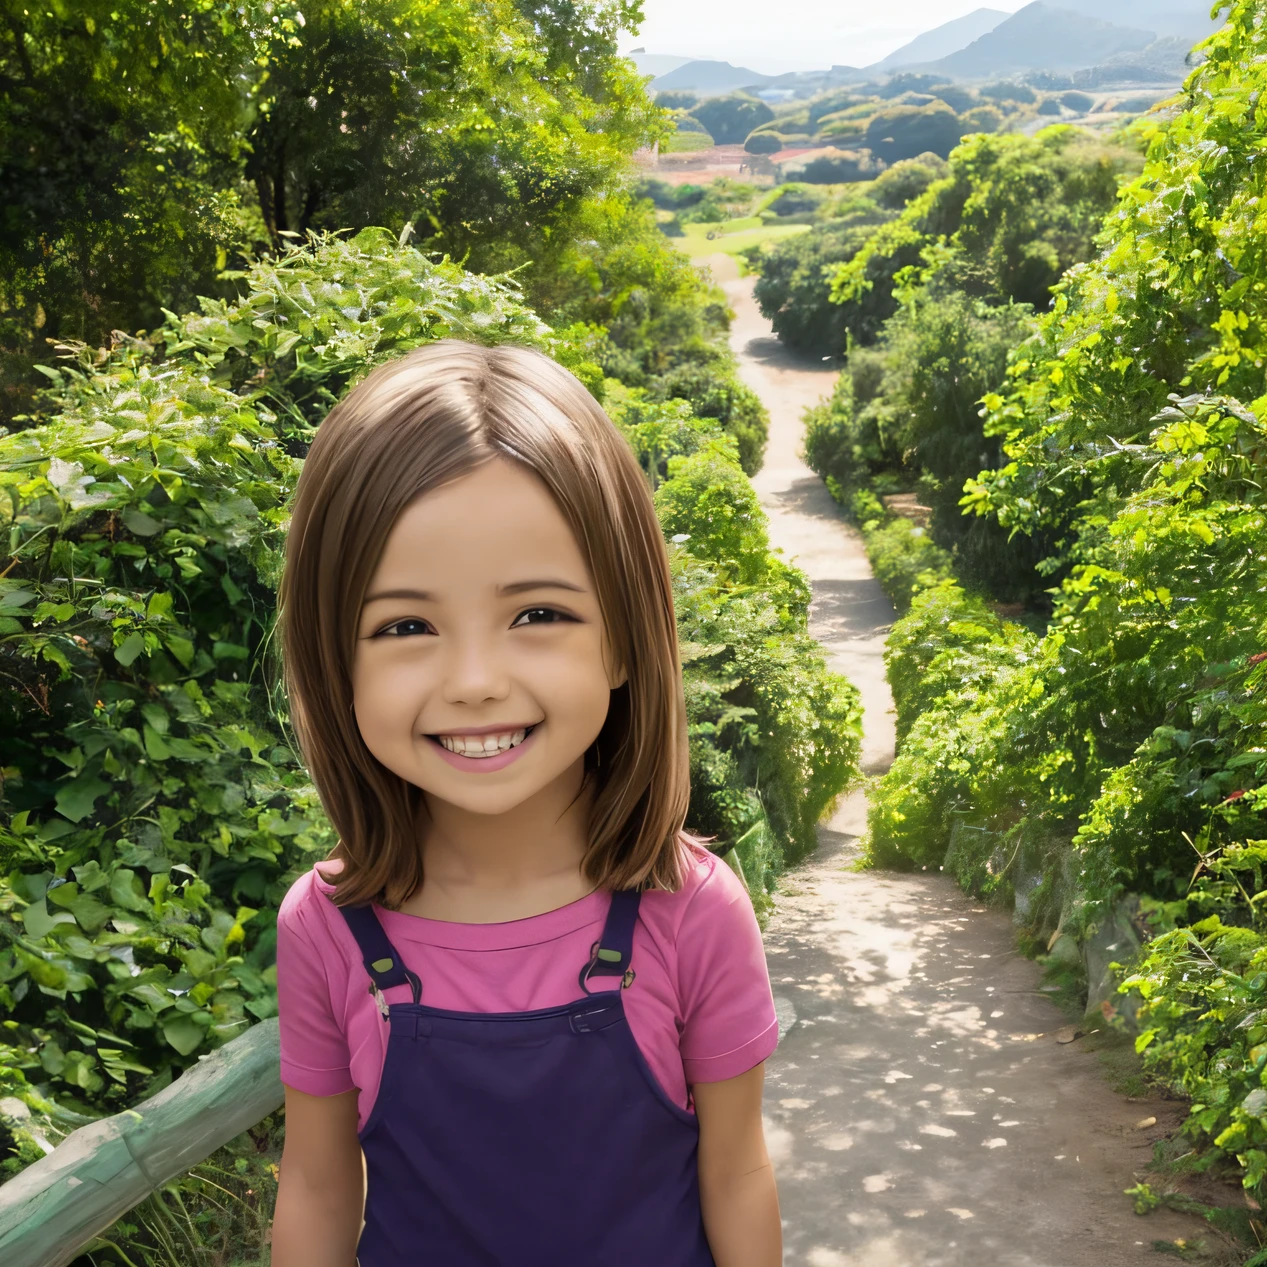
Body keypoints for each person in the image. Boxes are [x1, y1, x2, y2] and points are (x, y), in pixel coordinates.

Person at [269, 340, 782, 1267]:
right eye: (405, 626)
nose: (474, 681)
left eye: (538, 614)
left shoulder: (691, 910)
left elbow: (736, 1169)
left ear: (625, 640)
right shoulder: (326, 927)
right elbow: (314, 1181)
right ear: (332, 660)